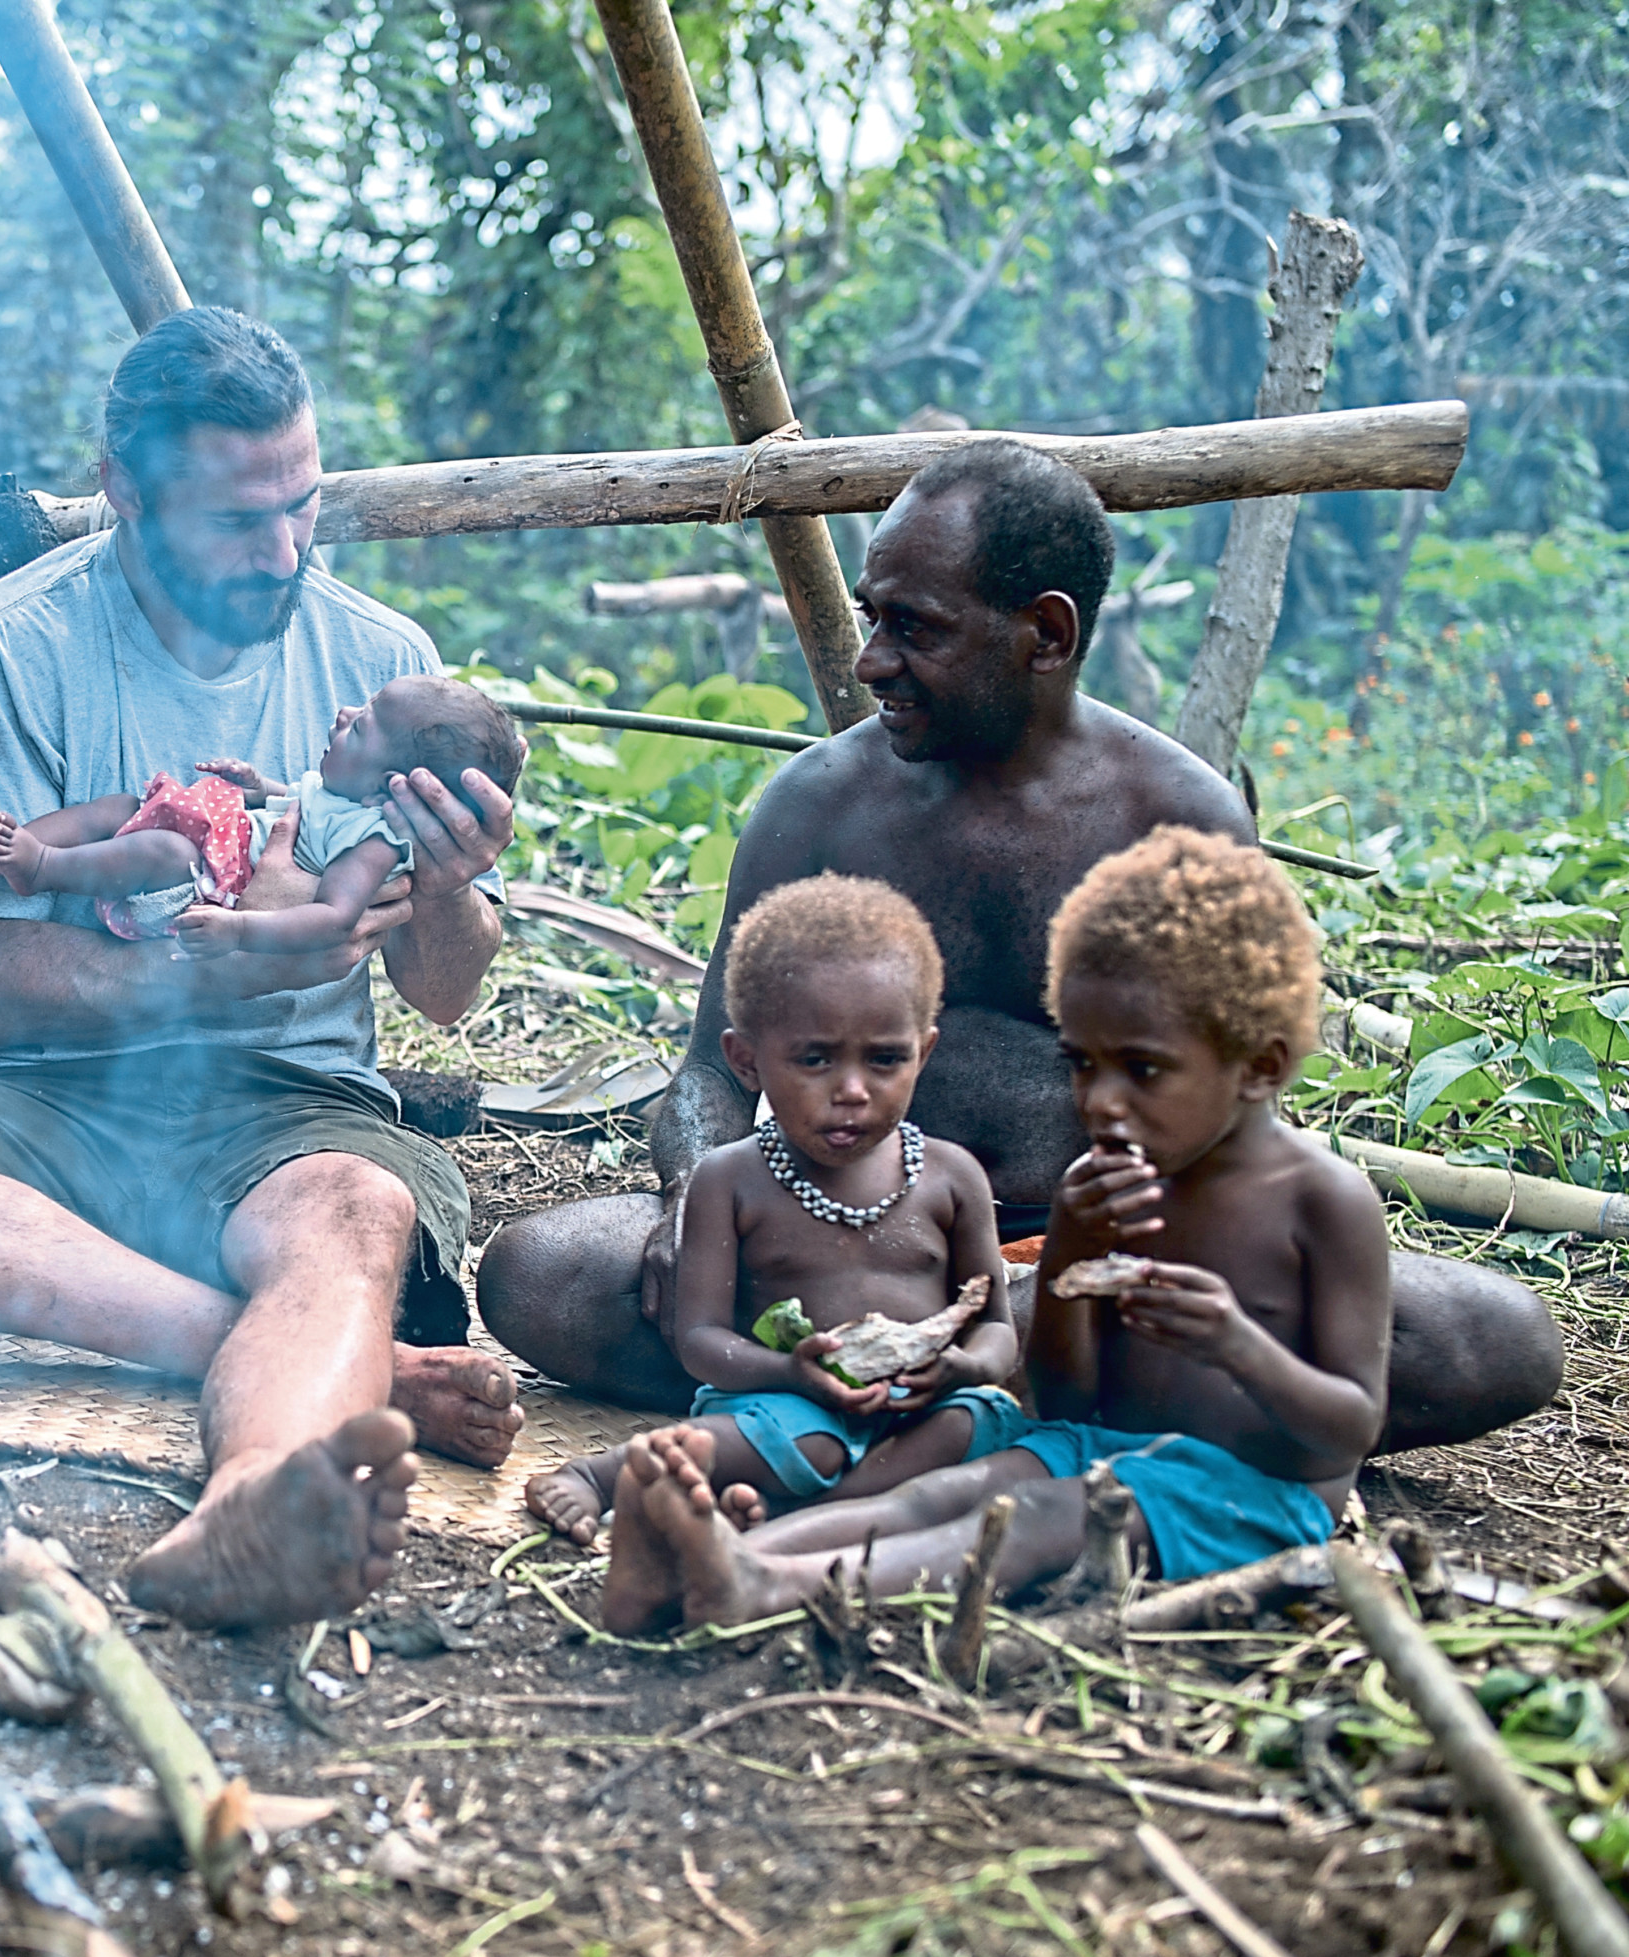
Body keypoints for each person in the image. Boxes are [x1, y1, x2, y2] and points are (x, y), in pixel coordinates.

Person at [476, 438, 1560, 1454]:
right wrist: (693, 1204)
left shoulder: (1178, 820)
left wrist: (1124, 1257)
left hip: (1099, 1268)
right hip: (849, 1245)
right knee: (544, 1270)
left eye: (917, 627)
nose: (871, 660)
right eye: (872, 617)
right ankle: (1009, 1404)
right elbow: (712, 1071)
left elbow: (1235, 1122)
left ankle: (918, 1401)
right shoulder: (815, 809)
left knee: (1493, 1334)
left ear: (1045, 634)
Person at [0, 308, 522, 1628]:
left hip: (288, 1118)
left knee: (355, 1212)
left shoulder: (387, 666)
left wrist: (447, 882)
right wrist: (222, 973)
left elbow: (444, 989)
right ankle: (315, 1351)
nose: (283, 553)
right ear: (122, 497)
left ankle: (257, 1500)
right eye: (235, 520)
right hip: (37, 1104)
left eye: (302, 505)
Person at [602, 828, 1388, 1632]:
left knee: (1041, 1518)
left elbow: (1348, 1431)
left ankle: (770, 1584)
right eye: (1084, 1063)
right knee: (949, 1490)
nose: (1101, 1102)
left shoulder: (1323, 1203)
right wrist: (1073, 1247)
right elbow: (1069, 1399)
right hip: (1104, 1449)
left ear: (1258, 1065)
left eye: (1142, 1070)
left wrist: (1236, 1342)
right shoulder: (1102, 1187)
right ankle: (705, 1562)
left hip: (1256, 1493)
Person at [526, 876, 1019, 1541]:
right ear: (746, 1060)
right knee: (802, 1443)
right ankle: (601, 1475)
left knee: (982, 1423)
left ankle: (799, 1516)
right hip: (782, 1405)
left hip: (917, 1408)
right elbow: (700, 1340)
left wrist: (963, 1366)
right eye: (814, 1059)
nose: (852, 1090)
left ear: (923, 1052)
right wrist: (793, 1372)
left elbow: (997, 1328)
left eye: (885, 1060)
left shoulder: (951, 1176)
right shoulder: (732, 1179)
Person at [0, 674, 526, 957]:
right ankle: (1, 854)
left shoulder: (372, 842)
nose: (345, 712)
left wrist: (241, 931)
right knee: (122, 809)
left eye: (362, 725)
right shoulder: (345, 796)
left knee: (162, 851)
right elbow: (298, 809)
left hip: (211, 887)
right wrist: (258, 787)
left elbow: (333, 916)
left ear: (389, 787)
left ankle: (41, 867)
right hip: (220, 839)